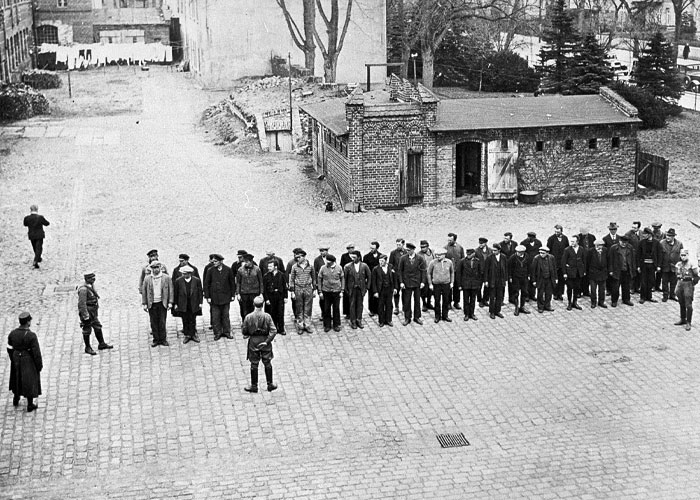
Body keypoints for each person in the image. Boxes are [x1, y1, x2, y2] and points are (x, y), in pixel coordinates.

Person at [7, 312, 42, 412]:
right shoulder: (31, 336)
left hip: (16, 358)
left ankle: (16, 397)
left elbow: (9, 348)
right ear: (28, 322)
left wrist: (13, 358)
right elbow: (36, 353)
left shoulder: (12, 334)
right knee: (29, 380)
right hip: (27, 360)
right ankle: (30, 404)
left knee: (16, 378)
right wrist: (38, 366)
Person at [242, 296, 278, 393]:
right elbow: (274, 330)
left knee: (254, 363)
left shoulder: (248, 317)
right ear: (262, 305)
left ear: (253, 305)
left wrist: (248, 334)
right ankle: (270, 384)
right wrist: (267, 341)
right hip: (265, 341)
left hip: (253, 342)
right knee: (267, 362)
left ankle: (254, 386)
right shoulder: (267, 316)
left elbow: (244, 331)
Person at [77, 272, 114, 355]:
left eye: (94, 278)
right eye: (92, 278)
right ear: (87, 279)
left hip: (93, 311)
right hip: (88, 311)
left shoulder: (90, 286)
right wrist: (85, 316)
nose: (94, 280)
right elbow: (81, 304)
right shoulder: (83, 290)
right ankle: (87, 347)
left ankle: (101, 343)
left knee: (97, 326)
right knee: (87, 329)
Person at [203, 254, 235, 340]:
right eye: (213, 261)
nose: (214, 263)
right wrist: (207, 296)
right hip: (214, 298)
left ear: (221, 261)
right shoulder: (210, 270)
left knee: (225, 316)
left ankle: (227, 332)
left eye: (216, 261)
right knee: (215, 316)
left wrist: (232, 295)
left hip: (225, 297)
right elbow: (206, 284)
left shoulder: (228, 270)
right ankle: (217, 333)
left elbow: (232, 283)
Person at [141, 261, 174, 347]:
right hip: (152, 304)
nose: (156, 270)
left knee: (162, 322)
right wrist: (144, 303)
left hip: (162, 303)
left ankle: (163, 339)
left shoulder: (166, 278)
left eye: (157, 268)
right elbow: (144, 291)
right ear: (151, 269)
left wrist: (170, 302)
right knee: (153, 322)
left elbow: (171, 290)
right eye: (154, 268)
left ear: (160, 268)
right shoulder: (147, 278)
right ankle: (156, 339)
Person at [173, 265, 203, 344]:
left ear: (190, 274)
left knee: (193, 319)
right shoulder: (178, 281)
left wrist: (200, 303)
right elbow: (176, 293)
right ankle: (187, 335)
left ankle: (193, 334)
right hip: (183, 303)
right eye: (183, 274)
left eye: (186, 274)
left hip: (193, 303)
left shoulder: (196, 280)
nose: (184, 275)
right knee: (185, 319)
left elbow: (200, 292)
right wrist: (175, 303)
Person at [398, 243, 426, 326]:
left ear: (413, 250)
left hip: (417, 283)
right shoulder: (403, 258)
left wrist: (423, 282)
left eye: (409, 250)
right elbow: (400, 271)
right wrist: (401, 282)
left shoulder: (420, 258)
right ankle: (407, 317)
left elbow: (423, 271)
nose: (408, 251)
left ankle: (417, 317)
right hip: (407, 283)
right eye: (407, 250)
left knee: (417, 301)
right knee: (407, 301)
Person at [289, 249, 316, 333]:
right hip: (298, 289)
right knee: (299, 308)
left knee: (308, 308)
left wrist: (314, 289)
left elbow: (314, 278)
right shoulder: (294, 267)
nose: (297, 259)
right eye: (296, 257)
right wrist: (292, 291)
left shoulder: (310, 266)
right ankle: (300, 325)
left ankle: (307, 325)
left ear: (304, 257)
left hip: (308, 288)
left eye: (299, 257)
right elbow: (292, 279)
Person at [344, 250, 371, 329]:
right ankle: (353, 321)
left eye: (354, 257)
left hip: (361, 289)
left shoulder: (364, 266)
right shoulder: (347, 266)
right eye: (352, 257)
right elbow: (345, 279)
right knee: (352, 305)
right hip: (352, 289)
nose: (353, 259)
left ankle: (359, 319)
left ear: (359, 257)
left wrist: (367, 287)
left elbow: (369, 277)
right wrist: (346, 289)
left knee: (360, 304)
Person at [317, 254, 344, 332]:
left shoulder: (339, 268)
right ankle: (327, 325)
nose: (327, 263)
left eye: (329, 262)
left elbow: (342, 278)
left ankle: (336, 325)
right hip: (326, 291)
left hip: (336, 291)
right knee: (326, 308)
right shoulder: (323, 268)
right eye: (326, 261)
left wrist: (342, 290)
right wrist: (320, 291)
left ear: (333, 262)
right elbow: (319, 279)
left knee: (336, 308)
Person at [427, 248, 454, 323]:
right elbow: (428, 273)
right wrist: (430, 284)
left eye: (439, 255)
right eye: (436, 255)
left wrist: (452, 282)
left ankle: (445, 316)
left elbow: (452, 272)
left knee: (446, 300)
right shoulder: (433, 262)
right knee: (437, 300)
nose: (437, 257)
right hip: (436, 284)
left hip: (446, 284)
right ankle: (437, 316)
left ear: (444, 255)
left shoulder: (449, 262)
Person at [674, 249, 699, 331]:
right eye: (681, 255)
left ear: (688, 255)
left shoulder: (692, 264)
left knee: (688, 303)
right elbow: (676, 273)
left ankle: (688, 322)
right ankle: (683, 318)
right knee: (681, 301)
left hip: (688, 284)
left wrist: (691, 284)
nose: (683, 257)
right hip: (680, 283)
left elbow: (696, 276)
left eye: (684, 255)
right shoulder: (678, 264)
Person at [608, 235, 636, 307]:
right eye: (623, 242)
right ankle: (614, 301)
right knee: (615, 287)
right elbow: (610, 260)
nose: (624, 244)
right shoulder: (614, 248)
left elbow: (632, 259)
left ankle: (626, 299)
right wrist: (611, 270)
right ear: (619, 241)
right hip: (617, 271)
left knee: (626, 287)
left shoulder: (630, 247)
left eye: (625, 242)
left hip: (626, 270)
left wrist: (633, 269)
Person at [262, 260, 288, 335]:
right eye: (268, 266)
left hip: (279, 296)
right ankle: (271, 328)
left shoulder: (281, 275)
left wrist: (285, 297)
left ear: (275, 267)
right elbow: (264, 289)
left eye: (270, 266)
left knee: (280, 313)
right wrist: (266, 299)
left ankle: (281, 328)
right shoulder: (266, 276)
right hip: (270, 297)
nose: (268, 268)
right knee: (270, 313)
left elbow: (284, 286)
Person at [371, 254, 397, 327]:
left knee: (389, 305)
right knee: (380, 305)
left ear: (386, 261)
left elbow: (394, 278)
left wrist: (395, 288)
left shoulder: (391, 267)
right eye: (379, 261)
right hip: (381, 290)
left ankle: (389, 319)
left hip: (389, 289)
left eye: (382, 261)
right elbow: (374, 281)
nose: (381, 262)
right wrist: (375, 291)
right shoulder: (375, 269)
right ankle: (381, 321)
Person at [484, 243, 508, 319]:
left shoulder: (503, 257)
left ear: (499, 250)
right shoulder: (489, 258)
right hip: (492, 280)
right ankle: (492, 312)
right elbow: (486, 270)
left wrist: (505, 279)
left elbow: (506, 268)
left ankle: (497, 311)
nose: (493, 252)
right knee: (492, 297)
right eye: (493, 250)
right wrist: (486, 281)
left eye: (495, 250)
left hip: (500, 281)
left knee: (499, 296)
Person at [638, 227, 662, 303]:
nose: (644, 235)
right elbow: (638, 255)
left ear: (649, 234)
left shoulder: (656, 243)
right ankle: (643, 297)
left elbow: (659, 255)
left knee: (651, 281)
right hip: (644, 265)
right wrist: (638, 266)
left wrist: (658, 265)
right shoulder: (641, 242)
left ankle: (649, 296)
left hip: (652, 265)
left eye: (645, 234)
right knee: (643, 281)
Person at [562, 234, 585, 311]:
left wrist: (583, 271)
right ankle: (569, 302)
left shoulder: (581, 249)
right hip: (570, 273)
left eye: (573, 241)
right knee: (569, 288)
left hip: (578, 273)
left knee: (577, 288)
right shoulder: (567, 250)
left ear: (577, 242)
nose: (571, 243)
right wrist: (564, 273)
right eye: (571, 241)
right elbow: (563, 262)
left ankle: (575, 302)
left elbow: (584, 260)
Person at [236, 254, 263, 320]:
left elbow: (261, 282)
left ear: (251, 261)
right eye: (245, 262)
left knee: (254, 310)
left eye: (247, 262)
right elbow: (238, 282)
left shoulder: (257, 269)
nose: (246, 263)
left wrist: (261, 293)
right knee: (244, 310)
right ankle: (245, 323)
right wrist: (238, 293)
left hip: (254, 293)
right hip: (244, 293)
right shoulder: (240, 270)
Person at [547, 225, 569, 301]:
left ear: (561, 231)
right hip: (554, 262)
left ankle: (560, 293)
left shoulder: (565, 238)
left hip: (562, 262)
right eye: (555, 232)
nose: (557, 233)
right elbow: (548, 250)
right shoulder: (551, 239)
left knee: (562, 278)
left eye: (558, 232)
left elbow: (567, 249)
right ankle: (555, 293)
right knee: (554, 278)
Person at [531, 246, 557, 313]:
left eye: (543, 253)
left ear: (547, 253)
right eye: (540, 253)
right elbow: (533, 271)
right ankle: (540, 307)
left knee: (549, 293)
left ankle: (547, 306)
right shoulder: (536, 259)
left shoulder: (551, 258)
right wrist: (533, 280)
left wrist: (555, 278)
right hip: (540, 279)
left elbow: (554, 269)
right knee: (540, 294)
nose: (541, 254)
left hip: (549, 278)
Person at [660, 228, 683, 302]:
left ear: (673, 236)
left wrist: (680, 265)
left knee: (674, 282)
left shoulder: (679, 244)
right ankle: (665, 295)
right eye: (667, 235)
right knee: (664, 282)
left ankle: (672, 295)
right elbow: (659, 255)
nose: (667, 237)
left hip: (674, 266)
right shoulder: (662, 243)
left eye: (670, 236)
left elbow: (682, 255)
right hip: (665, 266)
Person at [23, 205, 49, 269]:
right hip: (39, 235)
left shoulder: (27, 218)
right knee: (39, 248)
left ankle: (38, 258)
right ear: (37, 209)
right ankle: (36, 260)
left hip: (31, 235)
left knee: (34, 247)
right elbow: (47, 223)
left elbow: (25, 224)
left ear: (30, 210)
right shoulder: (40, 217)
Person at [508, 244, 531, 315]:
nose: (518, 253)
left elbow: (529, 266)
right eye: (517, 252)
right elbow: (509, 268)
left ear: (523, 252)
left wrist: (529, 275)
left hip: (524, 277)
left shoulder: (527, 257)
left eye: (519, 252)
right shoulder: (513, 257)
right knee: (516, 293)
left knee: (524, 292)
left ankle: (522, 306)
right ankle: (516, 307)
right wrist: (510, 277)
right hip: (516, 278)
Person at [586, 239, 609, 308]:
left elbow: (608, 260)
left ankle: (601, 302)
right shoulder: (591, 251)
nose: (600, 247)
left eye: (601, 245)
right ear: (595, 245)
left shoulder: (605, 250)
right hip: (593, 273)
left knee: (602, 289)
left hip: (603, 273)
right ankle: (593, 302)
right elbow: (588, 262)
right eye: (598, 245)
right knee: (593, 289)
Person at [520, 231, 542, 300]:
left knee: (534, 279)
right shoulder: (523, 243)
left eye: (532, 237)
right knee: (526, 281)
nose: (530, 239)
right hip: (527, 264)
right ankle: (526, 295)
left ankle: (532, 295)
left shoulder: (538, 243)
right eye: (529, 237)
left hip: (535, 264)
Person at [445, 233, 465, 309]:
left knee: (457, 287)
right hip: (449, 272)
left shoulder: (460, 248)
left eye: (450, 240)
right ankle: (448, 302)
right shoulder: (445, 248)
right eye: (448, 240)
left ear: (454, 240)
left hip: (457, 271)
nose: (449, 241)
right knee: (449, 288)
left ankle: (456, 302)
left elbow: (463, 259)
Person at [363, 242, 382, 317]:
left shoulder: (381, 256)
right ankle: (371, 309)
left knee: (379, 293)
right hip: (370, 278)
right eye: (370, 248)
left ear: (377, 248)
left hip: (379, 278)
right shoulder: (366, 257)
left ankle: (378, 309)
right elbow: (364, 269)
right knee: (371, 294)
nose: (371, 250)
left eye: (373, 248)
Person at [389, 239, 407, 315]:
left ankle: (404, 306)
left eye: (399, 244)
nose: (398, 246)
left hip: (405, 276)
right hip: (396, 275)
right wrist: (392, 270)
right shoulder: (393, 253)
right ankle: (396, 307)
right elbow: (390, 264)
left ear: (403, 244)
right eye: (397, 244)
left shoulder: (407, 252)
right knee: (396, 291)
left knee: (405, 292)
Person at [625, 221, 642, 294]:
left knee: (639, 272)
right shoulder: (628, 234)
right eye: (632, 227)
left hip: (640, 256)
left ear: (638, 228)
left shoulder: (642, 233)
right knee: (632, 271)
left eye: (635, 228)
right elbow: (626, 245)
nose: (633, 229)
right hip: (632, 256)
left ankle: (637, 287)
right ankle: (631, 287)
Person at [418, 240, 435, 312]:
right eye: (421, 247)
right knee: (423, 290)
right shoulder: (418, 254)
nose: (422, 249)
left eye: (424, 247)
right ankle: (424, 303)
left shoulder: (432, 252)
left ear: (428, 246)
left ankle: (429, 302)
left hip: (431, 274)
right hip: (423, 275)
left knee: (430, 290)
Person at [475, 237, 492, 308]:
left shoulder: (490, 250)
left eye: (482, 243)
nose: (480, 245)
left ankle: (485, 299)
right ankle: (480, 300)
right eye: (479, 243)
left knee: (487, 286)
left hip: (488, 272)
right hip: (480, 272)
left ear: (485, 243)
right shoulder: (476, 251)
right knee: (479, 287)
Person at [340, 243, 356, 318]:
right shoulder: (344, 256)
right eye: (349, 248)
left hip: (354, 278)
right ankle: (347, 312)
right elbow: (342, 266)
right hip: (347, 277)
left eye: (352, 248)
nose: (351, 250)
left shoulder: (356, 255)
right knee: (347, 296)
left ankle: (354, 311)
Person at [500, 232, 517, 304]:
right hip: (504, 266)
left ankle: (512, 298)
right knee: (502, 283)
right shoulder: (500, 245)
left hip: (512, 266)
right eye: (504, 238)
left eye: (507, 238)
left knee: (512, 282)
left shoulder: (515, 244)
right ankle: (501, 299)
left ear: (510, 239)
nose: (505, 240)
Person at [314, 246, 329, 320]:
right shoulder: (317, 260)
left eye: (323, 251)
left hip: (329, 282)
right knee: (322, 299)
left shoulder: (331, 258)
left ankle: (328, 313)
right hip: (321, 282)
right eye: (321, 251)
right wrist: (316, 283)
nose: (322, 252)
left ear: (327, 251)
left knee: (329, 299)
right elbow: (315, 272)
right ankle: (323, 313)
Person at [651, 222, 665, 291]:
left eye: (657, 228)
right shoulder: (651, 234)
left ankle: (657, 285)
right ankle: (653, 285)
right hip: (653, 254)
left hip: (661, 254)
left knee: (660, 271)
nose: (656, 229)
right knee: (652, 271)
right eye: (654, 228)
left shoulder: (663, 235)